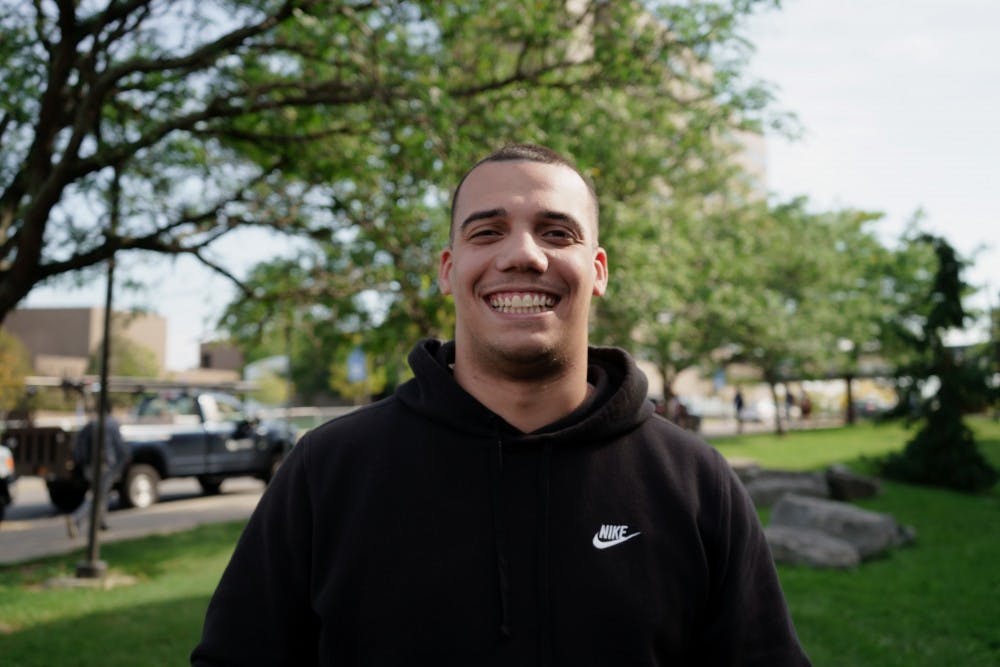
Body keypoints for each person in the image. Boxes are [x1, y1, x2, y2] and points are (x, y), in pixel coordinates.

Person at [191, 143, 810, 665]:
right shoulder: (327, 470)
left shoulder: (697, 482)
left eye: (556, 232)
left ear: (597, 270)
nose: (523, 254)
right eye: (487, 231)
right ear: (447, 268)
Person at [66, 404, 129, 538]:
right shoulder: (111, 424)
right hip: (105, 465)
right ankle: (76, 518)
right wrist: (122, 463)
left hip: (90, 466)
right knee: (98, 495)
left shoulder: (91, 424)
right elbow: (119, 446)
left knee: (103, 494)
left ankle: (101, 522)